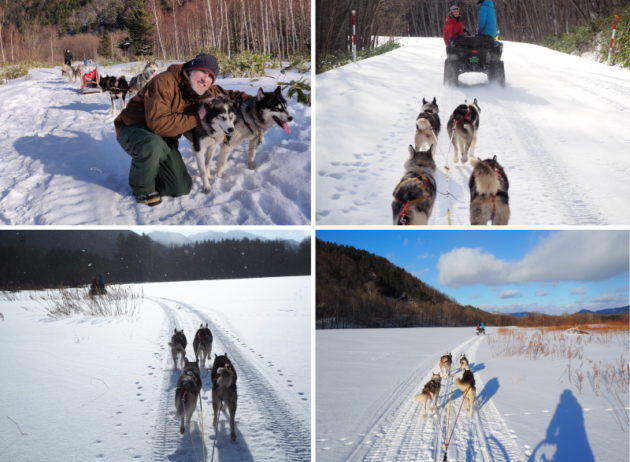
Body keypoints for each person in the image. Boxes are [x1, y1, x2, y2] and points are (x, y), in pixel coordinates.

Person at [114, 53, 250, 206]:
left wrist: (254, 101)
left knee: (180, 187)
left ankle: (153, 169)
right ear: (192, 69)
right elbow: (158, 125)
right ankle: (142, 189)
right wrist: (197, 116)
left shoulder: (202, 88)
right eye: (203, 72)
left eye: (211, 76)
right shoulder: (163, 82)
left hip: (164, 137)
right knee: (152, 146)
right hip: (134, 128)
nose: (206, 79)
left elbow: (228, 94)